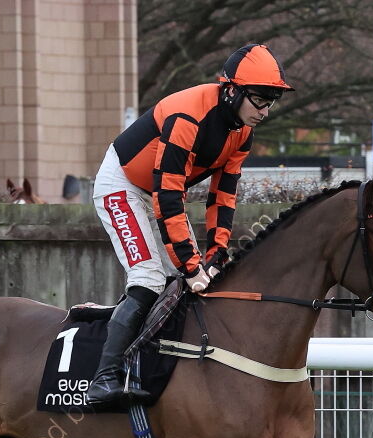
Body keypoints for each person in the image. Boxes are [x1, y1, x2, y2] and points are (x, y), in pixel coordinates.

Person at [86, 43, 293, 408]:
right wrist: (191, 264)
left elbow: (223, 197)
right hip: (122, 185)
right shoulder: (188, 117)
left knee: (178, 285)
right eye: (259, 100)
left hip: (156, 192)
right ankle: (104, 380)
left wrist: (215, 253)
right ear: (232, 91)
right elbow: (167, 197)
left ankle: (145, 369)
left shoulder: (242, 132)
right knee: (149, 278)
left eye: (270, 101)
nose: (264, 111)